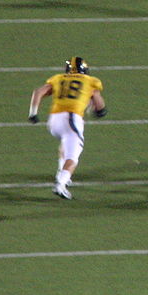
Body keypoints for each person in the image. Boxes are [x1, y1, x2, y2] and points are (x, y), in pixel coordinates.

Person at [28, 57, 107, 200]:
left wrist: (33, 113)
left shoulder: (58, 78)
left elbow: (38, 92)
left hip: (53, 121)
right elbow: (97, 100)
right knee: (73, 156)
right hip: (71, 118)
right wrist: (100, 110)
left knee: (66, 142)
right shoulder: (90, 81)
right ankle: (61, 184)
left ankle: (61, 173)